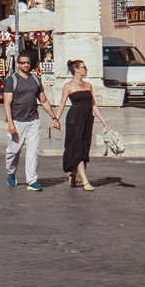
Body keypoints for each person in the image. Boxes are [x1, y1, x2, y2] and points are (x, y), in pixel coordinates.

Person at [3, 53, 61, 191]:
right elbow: (7, 103)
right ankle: (11, 172)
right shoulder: (12, 80)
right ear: (17, 64)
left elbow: (44, 100)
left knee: (32, 151)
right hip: (17, 120)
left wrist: (54, 117)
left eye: (28, 62)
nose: (26, 65)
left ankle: (32, 180)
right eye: (23, 63)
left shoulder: (35, 79)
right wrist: (10, 123)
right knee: (13, 150)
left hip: (33, 120)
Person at [53, 59, 112, 191]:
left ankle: (73, 173)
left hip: (87, 119)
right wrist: (56, 118)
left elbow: (93, 105)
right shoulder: (68, 86)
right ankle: (85, 180)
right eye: (83, 67)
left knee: (84, 147)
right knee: (77, 147)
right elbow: (62, 103)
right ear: (76, 70)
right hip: (74, 119)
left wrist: (104, 123)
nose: (86, 69)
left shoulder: (88, 85)